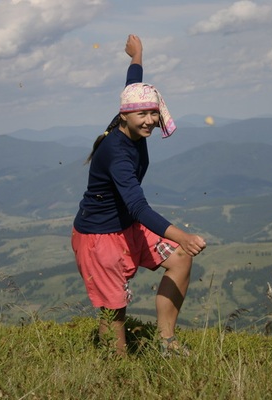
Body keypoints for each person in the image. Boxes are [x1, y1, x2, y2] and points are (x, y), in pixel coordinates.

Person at [71, 34, 206, 356]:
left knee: (180, 260)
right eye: (142, 115)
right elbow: (138, 205)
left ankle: (166, 342)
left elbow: (134, 85)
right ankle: (115, 370)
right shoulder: (118, 154)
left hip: (126, 226)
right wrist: (181, 234)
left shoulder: (131, 122)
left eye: (153, 113)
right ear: (125, 116)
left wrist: (137, 54)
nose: (149, 121)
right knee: (114, 311)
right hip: (99, 236)